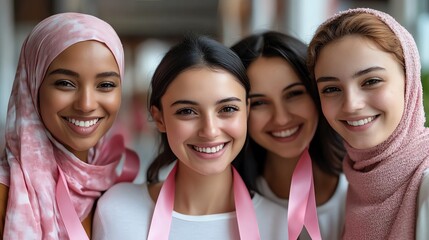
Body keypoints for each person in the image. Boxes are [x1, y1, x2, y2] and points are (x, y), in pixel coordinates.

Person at [92, 34, 288, 240]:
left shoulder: (280, 225)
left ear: (246, 111)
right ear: (159, 118)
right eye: (187, 111)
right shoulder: (117, 211)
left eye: (228, 108)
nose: (210, 131)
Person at [0, 12, 139, 239]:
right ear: (32, 87)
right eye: (65, 83)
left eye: (105, 84)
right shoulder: (6, 194)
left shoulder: (118, 190)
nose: (86, 104)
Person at [307, 7, 429, 239]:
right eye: (331, 89)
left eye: (371, 81)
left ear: (409, 81)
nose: (351, 104)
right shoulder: (357, 181)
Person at [231, 31, 346, 239]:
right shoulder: (225, 202)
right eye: (259, 103)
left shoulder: (362, 185)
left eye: (294, 94)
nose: (281, 119)